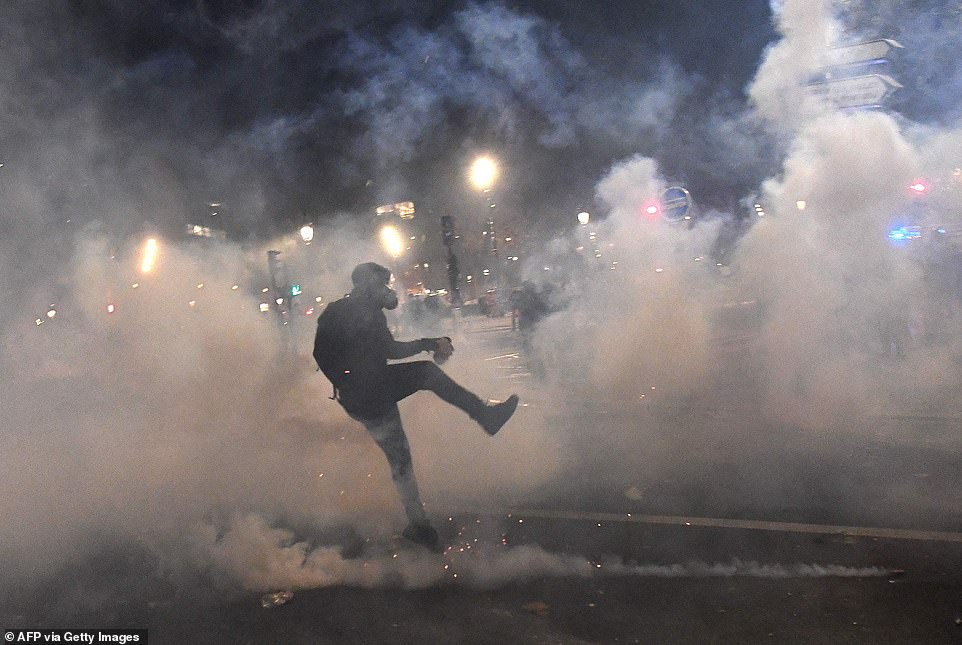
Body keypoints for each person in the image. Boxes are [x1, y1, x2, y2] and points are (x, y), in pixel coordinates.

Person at [313, 262, 519, 549]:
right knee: (426, 373)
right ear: (369, 286)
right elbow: (389, 350)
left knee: (400, 457)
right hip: (371, 390)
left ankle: (420, 525)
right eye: (383, 285)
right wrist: (429, 343)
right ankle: (485, 416)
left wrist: (345, 383)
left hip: (360, 395)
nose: (388, 291)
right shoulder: (364, 312)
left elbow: (320, 353)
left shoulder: (337, 310)